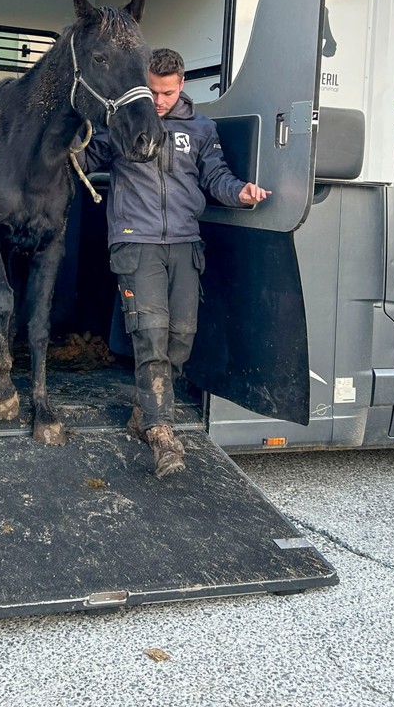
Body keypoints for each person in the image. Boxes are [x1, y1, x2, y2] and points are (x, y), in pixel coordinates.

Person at [85, 48, 269, 477]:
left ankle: (142, 408)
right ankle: (162, 433)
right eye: (152, 91)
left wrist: (240, 192)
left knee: (181, 338)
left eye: (167, 93)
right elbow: (85, 158)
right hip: (136, 242)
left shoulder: (201, 128)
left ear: (181, 85)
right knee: (150, 334)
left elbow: (216, 177)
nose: (159, 101)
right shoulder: (124, 121)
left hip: (186, 243)